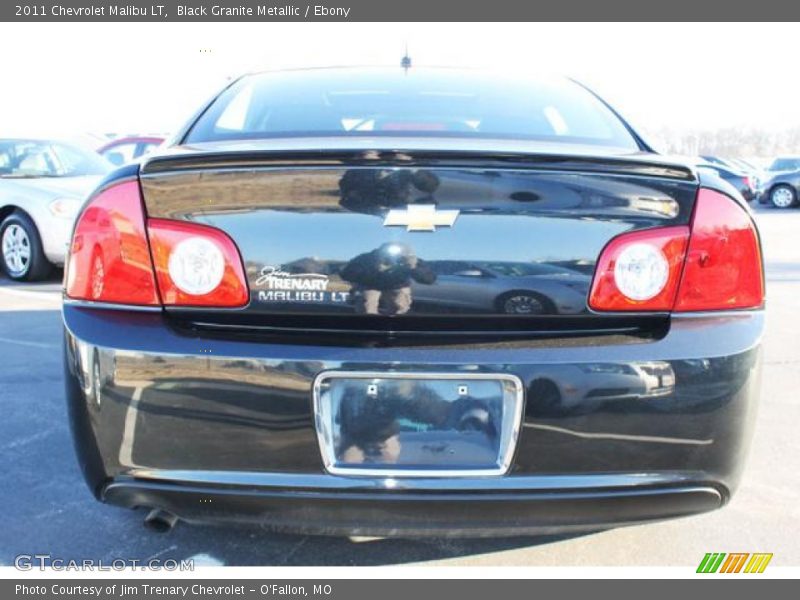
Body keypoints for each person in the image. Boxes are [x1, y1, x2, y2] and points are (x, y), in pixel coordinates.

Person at [340, 242, 435, 315]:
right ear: (378, 252)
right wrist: (372, 269)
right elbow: (345, 274)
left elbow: (429, 279)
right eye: (385, 253)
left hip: (397, 285)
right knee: (367, 304)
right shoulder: (366, 259)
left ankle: (397, 326)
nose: (390, 257)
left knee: (400, 306)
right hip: (370, 284)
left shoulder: (407, 259)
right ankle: (368, 325)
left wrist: (414, 268)